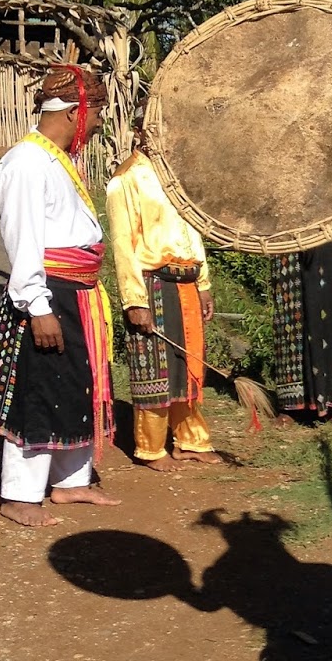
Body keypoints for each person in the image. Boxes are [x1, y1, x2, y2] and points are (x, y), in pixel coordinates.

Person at [0, 64, 121, 527]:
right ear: (75, 112)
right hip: (48, 295)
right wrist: (37, 307)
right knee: (39, 388)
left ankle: (70, 481)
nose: (99, 123)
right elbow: (23, 240)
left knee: (76, 384)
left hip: (78, 293)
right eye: (96, 113)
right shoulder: (26, 162)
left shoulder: (58, 159)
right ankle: (20, 495)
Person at [106, 121, 221, 469]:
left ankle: (191, 440)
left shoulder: (178, 175)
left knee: (188, 366)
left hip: (186, 283)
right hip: (152, 282)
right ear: (139, 130)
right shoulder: (126, 178)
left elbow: (193, 231)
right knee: (155, 372)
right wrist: (134, 300)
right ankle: (151, 447)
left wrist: (203, 282)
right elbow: (122, 244)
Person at [269, 244, 332, 427]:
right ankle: (290, 406)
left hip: (325, 237)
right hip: (286, 240)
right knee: (290, 318)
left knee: (328, 318)